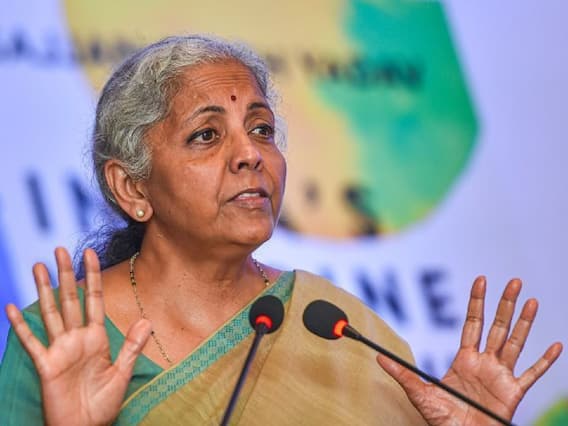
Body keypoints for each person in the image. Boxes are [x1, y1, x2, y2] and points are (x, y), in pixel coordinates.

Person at [0, 34, 562, 425]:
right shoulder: (65, 339)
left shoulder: (336, 326)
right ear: (132, 188)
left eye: (262, 130)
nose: (250, 155)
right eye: (206, 135)